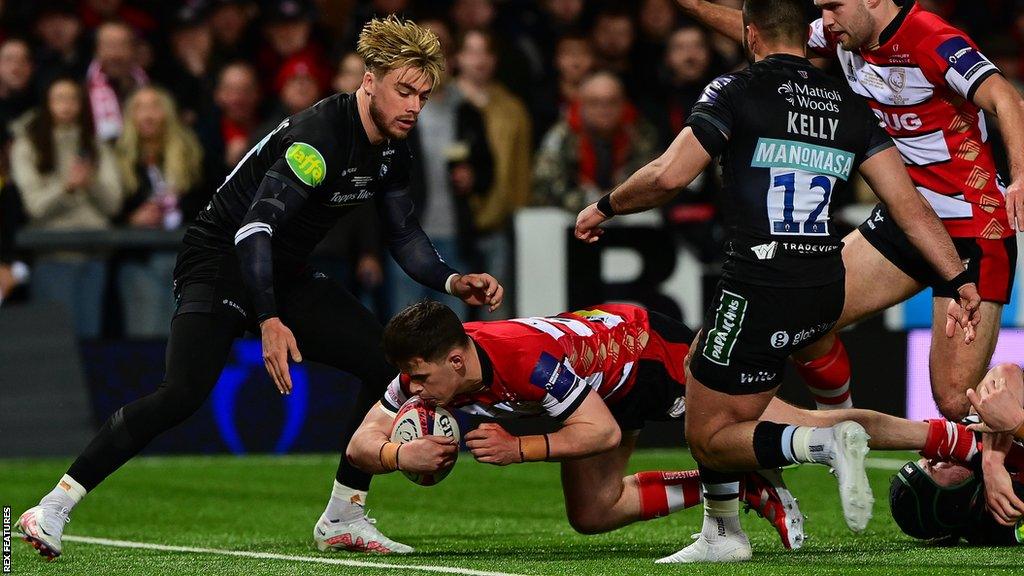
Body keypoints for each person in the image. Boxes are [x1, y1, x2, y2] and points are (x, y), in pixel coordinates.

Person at [15, 16, 503, 561]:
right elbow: (253, 228)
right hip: (220, 259)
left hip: (283, 268)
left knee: (387, 365)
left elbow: (404, 234)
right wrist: (269, 318)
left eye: (423, 94)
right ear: (369, 81)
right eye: (403, 90)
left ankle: (343, 516)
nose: (414, 106)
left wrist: (453, 279)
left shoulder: (392, 147)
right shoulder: (318, 139)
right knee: (182, 393)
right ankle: (52, 507)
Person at [574, 0, 980, 562]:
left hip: (758, 283)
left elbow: (669, 175)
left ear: (751, 32)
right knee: (708, 381)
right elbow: (909, 207)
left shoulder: (735, 91)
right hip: (823, 284)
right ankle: (725, 532)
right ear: (802, 32)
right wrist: (959, 276)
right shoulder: (848, 103)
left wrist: (606, 205)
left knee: (708, 432)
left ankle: (817, 447)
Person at [346, 301, 992, 552]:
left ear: (454, 360)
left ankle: (954, 438)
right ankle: (752, 490)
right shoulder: (427, 374)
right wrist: (401, 460)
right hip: (603, 388)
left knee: (795, 421)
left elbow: (595, 433)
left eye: (422, 379)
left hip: (651, 356)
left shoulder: (524, 362)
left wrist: (521, 447)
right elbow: (360, 443)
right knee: (593, 513)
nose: (415, 390)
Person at [675, 0, 1024, 419]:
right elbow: (769, 30)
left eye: (833, 7)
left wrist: (1020, 177)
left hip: (975, 231)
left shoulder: (931, 38)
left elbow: (1007, 98)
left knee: (954, 400)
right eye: (820, 9)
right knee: (794, 322)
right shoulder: (844, 32)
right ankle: (842, 431)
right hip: (905, 222)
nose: (824, 22)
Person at [10, 77, 123, 338]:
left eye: (73, 98)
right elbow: (34, 207)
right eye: (59, 98)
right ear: (46, 104)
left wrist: (90, 183)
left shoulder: (97, 145)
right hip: (52, 256)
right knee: (56, 343)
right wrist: (68, 188)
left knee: (91, 342)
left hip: (94, 256)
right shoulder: (28, 145)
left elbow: (114, 205)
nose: (67, 106)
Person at [113, 86, 210, 338]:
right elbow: (106, 208)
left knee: (187, 340)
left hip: (188, 262)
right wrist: (129, 220)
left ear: (167, 113)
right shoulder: (117, 158)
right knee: (146, 339)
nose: (148, 115)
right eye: (140, 108)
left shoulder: (193, 155)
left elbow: (211, 200)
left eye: (155, 107)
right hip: (140, 263)